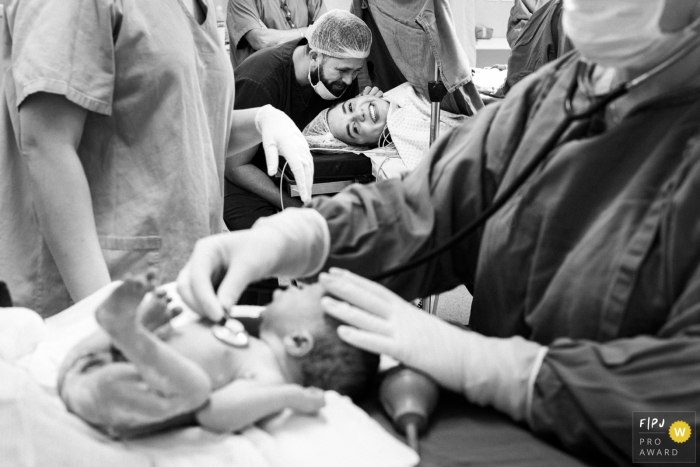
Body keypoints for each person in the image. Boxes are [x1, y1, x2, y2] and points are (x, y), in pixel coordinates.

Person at [176, 0, 700, 464]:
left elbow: (682, 435)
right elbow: (426, 207)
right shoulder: (559, 93)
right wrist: (306, 234)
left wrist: (509, 373)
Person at [0, 0, 314, 317]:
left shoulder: (193, 8)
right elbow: (47, 144)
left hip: (172, 281)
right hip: (95, 289)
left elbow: (179, 127)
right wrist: (103, 313)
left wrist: (260, 120)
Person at [58, 274, 378, 438]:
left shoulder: (270, 378)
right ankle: (130, 331)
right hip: (94, 360)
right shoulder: (249, 339)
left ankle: (129, 331)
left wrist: (288, 397)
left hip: (112, 398)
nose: (284, 288)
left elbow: (214, 414)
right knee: (182, 372)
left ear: (298, 341)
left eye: (298, 292)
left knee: (196, 390)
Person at [224, 9, 370, 233]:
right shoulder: (260, 82)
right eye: (343, 71)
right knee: (274, 248)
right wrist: (293, 205)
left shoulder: (341, 76)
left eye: (356, 71)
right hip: (244, 178)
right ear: (314, 57)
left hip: (294, 174)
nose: (349, 80)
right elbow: (235, 166)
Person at [303, 82, 467, 170]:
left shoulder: (399, 93)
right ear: (364, 146)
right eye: (354, 128)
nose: (359, 114)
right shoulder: (404, 134)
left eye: (350, 107)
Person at [227, 0, 327, 69]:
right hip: (259, 85)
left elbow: (325, 33)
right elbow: (262, 40)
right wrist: (308, 31)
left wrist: (275, 37)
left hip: (300, 85)